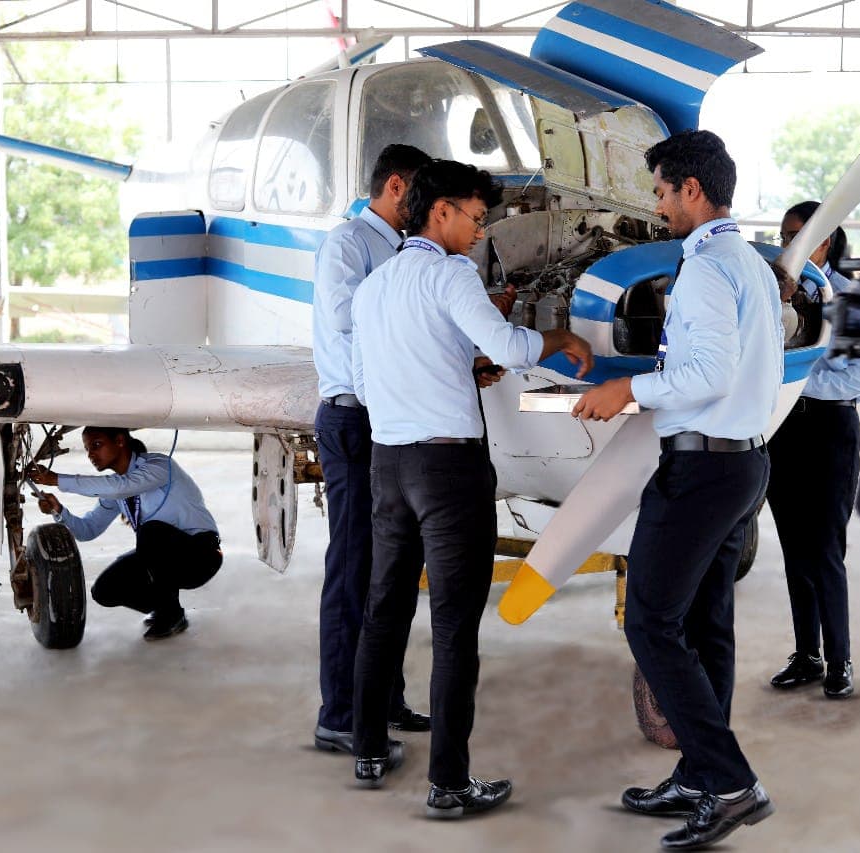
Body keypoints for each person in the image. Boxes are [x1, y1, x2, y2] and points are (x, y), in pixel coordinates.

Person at [350, 158, 593, 817]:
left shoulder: (374, 286)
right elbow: (509, 349)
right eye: (476, 219)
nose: (479, 235)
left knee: (384, 607)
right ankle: (448, 783)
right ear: (440, 212)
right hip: (447, 471)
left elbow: (372, 381)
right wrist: (555, 334)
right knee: (455, 625)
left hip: (388, 462)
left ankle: (368, 745)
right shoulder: (449, 273)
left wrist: (457, 370)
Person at [574, 130, 780, 850]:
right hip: (741, 462)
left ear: (691, 189)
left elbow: (704, 376)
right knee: (702, 625)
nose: (658, 206)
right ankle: (699, 773)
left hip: (701, 469)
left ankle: (729, 783)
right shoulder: (751, 264)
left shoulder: (702, 270)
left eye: (661, 191)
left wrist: (626, 387)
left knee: (650, 622)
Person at [311, 143, 434, 754]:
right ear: (394, 187)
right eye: (420, 195)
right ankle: (339, 713)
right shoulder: (349, 245)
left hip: (390, 422)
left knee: (393, 572)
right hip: (353, 421)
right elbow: (342, 316)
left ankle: (384, 699)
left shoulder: (397, 250)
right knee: (355, 569)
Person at [766, 201, 857, 699]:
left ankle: (840, 660)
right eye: (783, 236)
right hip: (784, 429)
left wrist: (798, 372)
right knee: (795, 549)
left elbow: (856, 375)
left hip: (830, 428)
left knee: (825, 551)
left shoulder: (849, 299)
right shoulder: (771, 295)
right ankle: (808, 655)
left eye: (797, 235)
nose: (787, 246)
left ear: (824, 240)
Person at [30, 427, 221, 641]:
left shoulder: (158, 466)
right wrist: (59, 511)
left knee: (152, 532)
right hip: (167, 558)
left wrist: (58, 480)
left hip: (201, 555)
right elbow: (88, 529)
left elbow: (124, 487)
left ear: (120, 441)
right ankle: (167, 608)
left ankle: (169, 613)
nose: (91, 454)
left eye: (96, 445)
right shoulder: (117, 493)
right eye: (87, 449)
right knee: (104, 590)